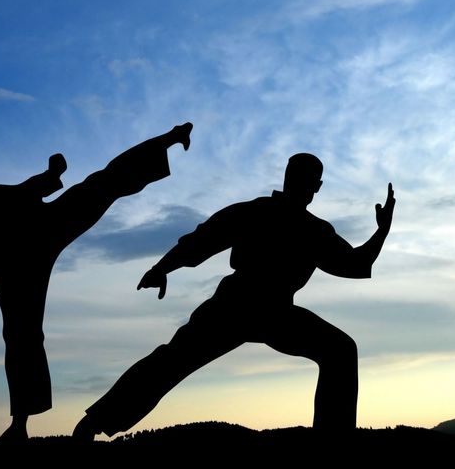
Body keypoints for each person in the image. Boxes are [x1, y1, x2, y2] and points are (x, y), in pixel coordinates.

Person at [0, 122, 193, 443]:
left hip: (41, 229)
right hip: (17, 263)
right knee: (21, 336)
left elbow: (13, 195)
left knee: (102, 185)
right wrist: (49, 179)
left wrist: (51, 178)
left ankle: (170, 138)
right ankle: (19, 425)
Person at [74, 153, 395, 439]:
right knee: (172, 360)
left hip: (273, 310)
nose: (305, 186)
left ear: (315, 185)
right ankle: (94, 423)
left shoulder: (313, 229)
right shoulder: (262, 213)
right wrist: (163, 267)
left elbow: (354, 264)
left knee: (340, 350)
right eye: (302, 178)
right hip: (236, 305)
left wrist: (381, 231)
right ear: (308, 183)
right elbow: (202, 240)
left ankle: (333, 441)